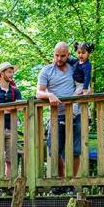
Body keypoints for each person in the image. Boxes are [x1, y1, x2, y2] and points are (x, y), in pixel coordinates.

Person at [36, 42, 79, 185]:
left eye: (63, 56)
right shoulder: (46, 70)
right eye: (56, 55)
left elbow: (85, 86)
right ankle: (61, 182)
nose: (59, 59)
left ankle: (71, 183)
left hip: (75, 114)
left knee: (75, 150)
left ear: (68, 55)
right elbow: (39, 92)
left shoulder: (75, 68)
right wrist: (49, 95)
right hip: (56, 115)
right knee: (54, 149)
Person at [0, 62, 22, 179]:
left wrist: (1, 109)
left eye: (12, 72)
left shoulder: (15, 91)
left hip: (12, 127)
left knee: (11, 158)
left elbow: (20, 108)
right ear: (2, 74)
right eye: (9, 72)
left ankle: (10, 185)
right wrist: (11, 109)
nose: (12, 74)